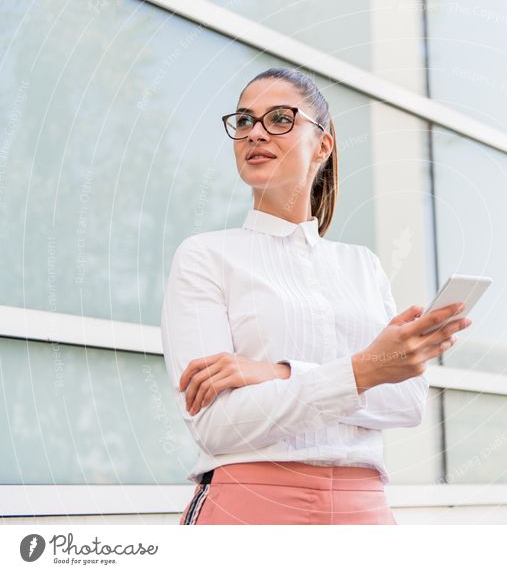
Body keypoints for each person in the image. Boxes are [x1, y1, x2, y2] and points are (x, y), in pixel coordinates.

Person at [161, 67, 471, 524]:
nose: (256, 133)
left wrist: (272, 372)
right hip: (252, 507)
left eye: (280, 118)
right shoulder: (206, 256)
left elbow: (406, 402)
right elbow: (218, 426)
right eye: (245, 121)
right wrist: (365, 370)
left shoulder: (361, 265)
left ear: (322, 144)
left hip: (363, 509)